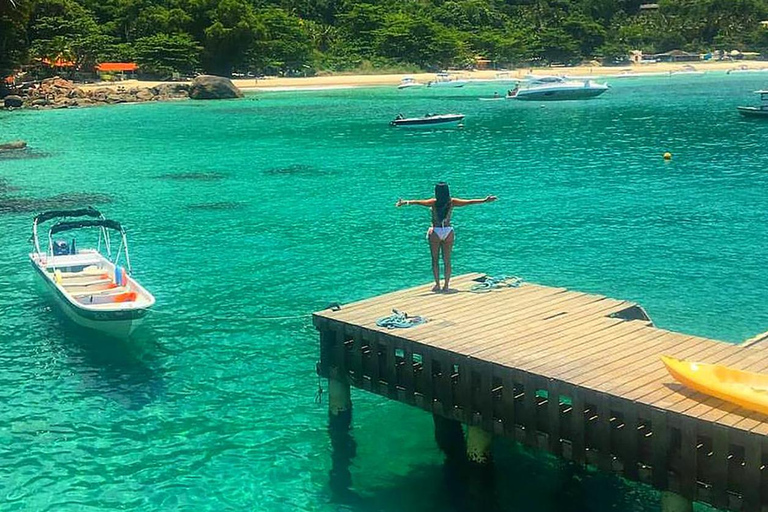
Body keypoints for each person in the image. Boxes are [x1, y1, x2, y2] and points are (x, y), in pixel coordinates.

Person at [396, 182, 497, 292]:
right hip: (448, 231)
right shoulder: (452, 202)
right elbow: (469, 202)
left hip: (436, 230)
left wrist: (404, 202)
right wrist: (485, 200)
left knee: (435, 259)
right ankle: (446, 285)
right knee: (447, 260)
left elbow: (417, 202)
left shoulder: (433, 202)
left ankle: (437, 285)